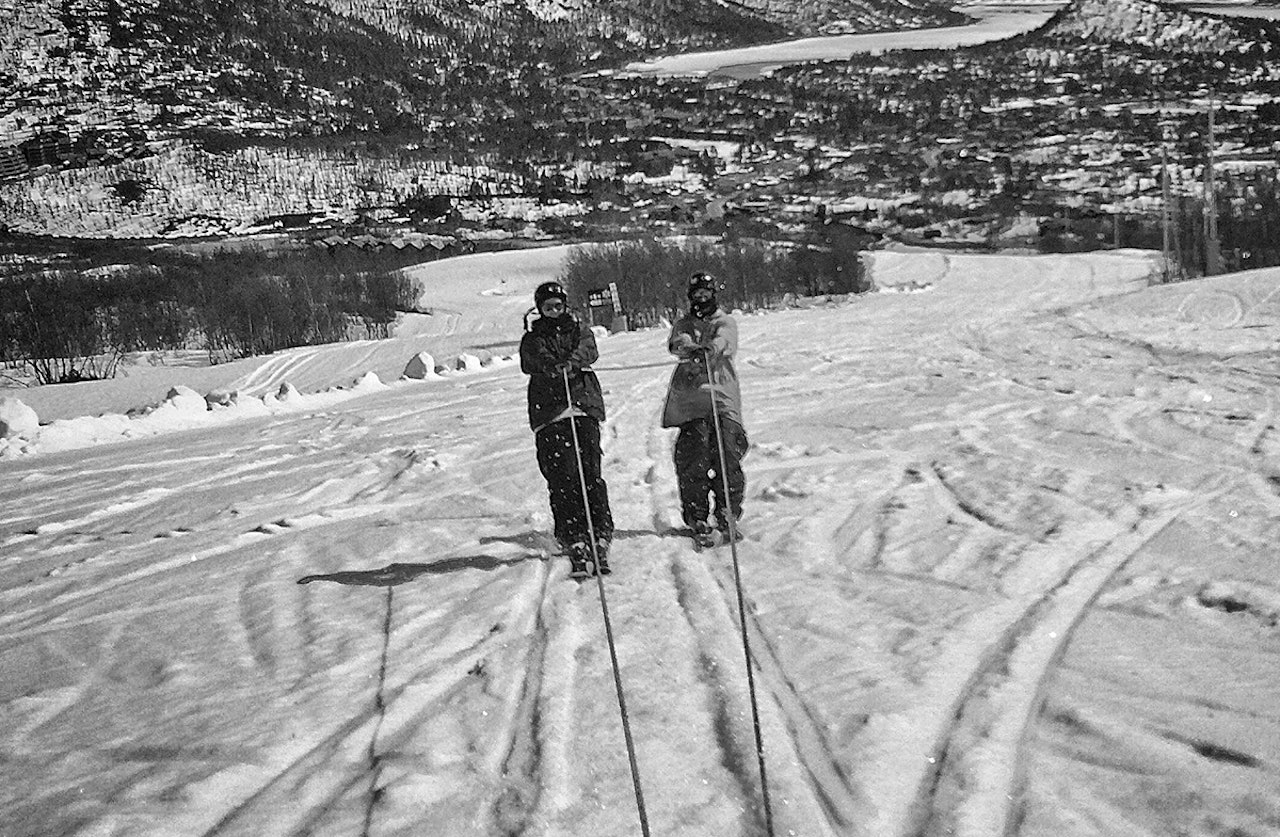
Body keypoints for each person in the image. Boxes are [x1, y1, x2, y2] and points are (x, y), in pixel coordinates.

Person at [520, 281, 614, 577]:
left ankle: (598, 529)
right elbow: (531, 359)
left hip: (582, 405)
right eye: (548, 308)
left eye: (558, 306)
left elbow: (589, 350)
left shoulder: (578, 329)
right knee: (562, 474)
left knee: (589, 471)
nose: (554, 312)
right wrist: (551, 366)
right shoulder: (533, 337)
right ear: (540, 309)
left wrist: (571, 363)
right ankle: (571, 533)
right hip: (551, 410)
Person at [662, 272, 749, 548]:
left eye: (706, 294)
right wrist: (690, 348)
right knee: (693, 459)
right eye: (696, 295)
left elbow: (726, 340)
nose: (701, 299)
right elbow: (678, 342)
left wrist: (710, 348)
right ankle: (697, 515)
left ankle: (727, 513)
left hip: (721, 399)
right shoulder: (684, 323)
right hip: (691, 403)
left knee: (727, 456)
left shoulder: (724, 321)